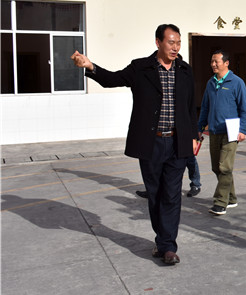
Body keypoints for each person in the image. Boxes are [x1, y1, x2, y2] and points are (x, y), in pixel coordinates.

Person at [70, 24, 198, 265]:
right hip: (151, 142)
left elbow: (191, 105)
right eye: (171, 42)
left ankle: (168, 246)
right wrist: (90, 66)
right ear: (158, 42)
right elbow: (112, 79)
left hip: (177, 142)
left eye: (178, 42)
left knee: (172, 195)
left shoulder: (185, 70)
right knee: (155, 194)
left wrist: (194, 136)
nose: (175, 47)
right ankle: (163, 241)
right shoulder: (141, 68)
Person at [198, 50, 246, 215]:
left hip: (231, 131)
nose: (213, 64)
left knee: (225, 167)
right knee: (217, 167)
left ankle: (220, 202)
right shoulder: (210, 83)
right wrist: (200, 128)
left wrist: (244, 129)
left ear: (226, 63)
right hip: (214, 130)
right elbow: (205, 107)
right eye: (212, 61)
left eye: (216, 61)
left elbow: (245, 108)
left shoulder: (237, 83)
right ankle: (232, 198)